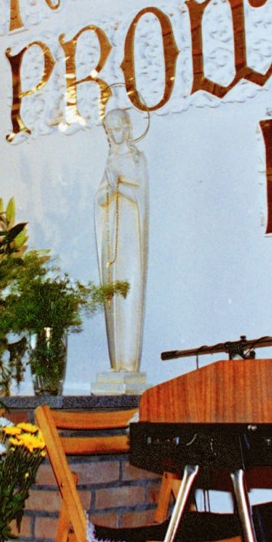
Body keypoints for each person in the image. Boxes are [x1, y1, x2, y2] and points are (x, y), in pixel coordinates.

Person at [94, 107, 149, 375]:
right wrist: (108, 192)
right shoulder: (110, 161)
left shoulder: (137, 160)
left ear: (126, 129)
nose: (113, 135)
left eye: (117, 129)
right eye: (109, 130)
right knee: (113, 295)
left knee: (129, 294)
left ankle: (129, 364)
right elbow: (100, 200)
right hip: (112, 238)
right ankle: (117, 364)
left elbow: (141, 197)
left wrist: (119, 187)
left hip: (130, 237)